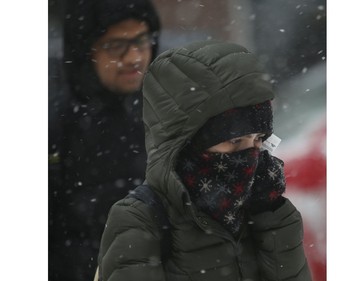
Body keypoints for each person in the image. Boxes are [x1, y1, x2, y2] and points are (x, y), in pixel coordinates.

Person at [97, 40, 312, 280]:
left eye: (259, 139)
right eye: (236, 141)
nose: (253, 156)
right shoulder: (141, 220)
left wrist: (273, 218)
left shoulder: (258, 207)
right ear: (189, 144)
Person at [49, 0, 161, 280]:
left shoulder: (168, 112)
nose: (134, 56)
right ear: (86, 51)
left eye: (142, 40)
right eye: (116, 45)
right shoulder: (55, 126)